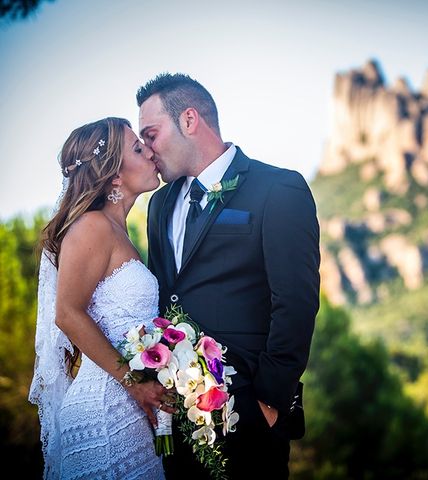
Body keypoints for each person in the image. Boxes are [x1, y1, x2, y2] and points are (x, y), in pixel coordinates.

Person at [139, 73, 321, 478]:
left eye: (151, 134)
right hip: (176, 415)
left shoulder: (279, 189)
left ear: (189, 120)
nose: (146, 150)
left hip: (250, 413)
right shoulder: (159, 204)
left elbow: (296, 302)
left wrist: (269, 403)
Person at [29, 117, 173, 479]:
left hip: (133, 413)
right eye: (138, 149)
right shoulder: (91, 227)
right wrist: (134, 383)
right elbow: (68, 314)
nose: (150, 152)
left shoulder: (120, 232)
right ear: (115, 176)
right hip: (105, 412)